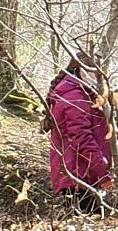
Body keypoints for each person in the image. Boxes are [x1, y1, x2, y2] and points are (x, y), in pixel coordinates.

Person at [44, 55, 113, 213]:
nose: (98, 78)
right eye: (95, 73)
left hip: (79, 174)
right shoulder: (75, 97)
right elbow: (81, 138)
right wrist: (102, 173)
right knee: (86, 222)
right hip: (78, 176)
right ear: (82, 71)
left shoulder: (78, 93)